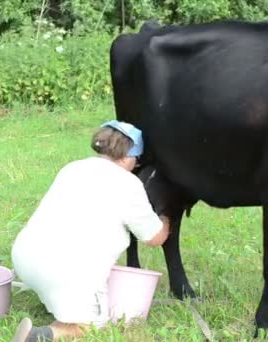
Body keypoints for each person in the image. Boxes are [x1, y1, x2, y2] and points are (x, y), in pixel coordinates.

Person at [11, 120, 171, 342]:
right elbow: (155, 237)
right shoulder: (128, 185)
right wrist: (166, 218)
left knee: (63, 294)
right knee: (93, 327)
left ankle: (59, 303)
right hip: (63, 271)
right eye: (137, 160)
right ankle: (39, 335)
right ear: (128, 157)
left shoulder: (73, 167)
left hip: (25, 258)